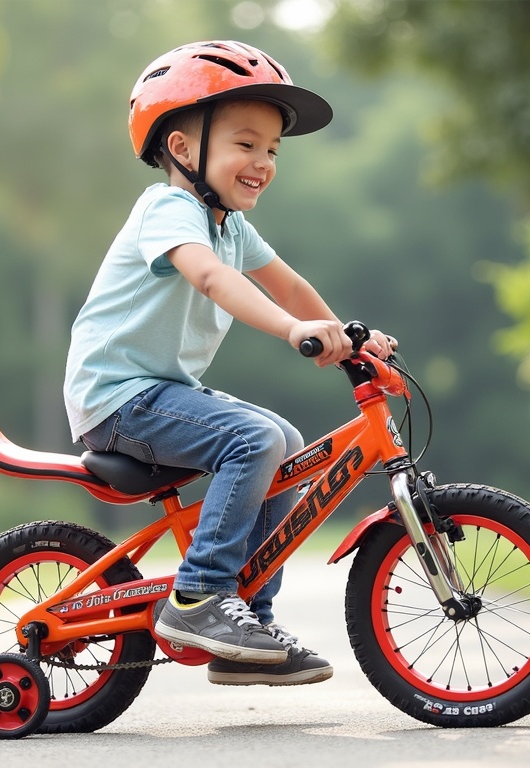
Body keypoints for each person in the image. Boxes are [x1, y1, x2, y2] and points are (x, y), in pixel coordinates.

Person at [63, 40, 394, 687]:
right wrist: (294, 331)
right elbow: (213, 279)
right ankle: (198, 601)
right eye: (246, 144)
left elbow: (291, 285)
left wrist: (347, 336)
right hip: (116, 397)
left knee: (288, 444)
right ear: (184, 149)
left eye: (272, 149)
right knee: (255, 437)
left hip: (157, 391)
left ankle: (244, 628)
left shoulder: (230, 225)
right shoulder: (168, 210)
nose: (263, 162)